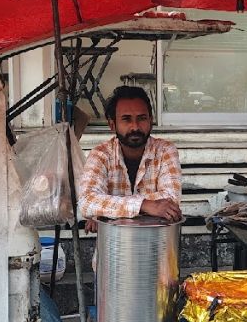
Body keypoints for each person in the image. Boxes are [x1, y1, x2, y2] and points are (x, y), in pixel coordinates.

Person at [78, 86, 182, 227]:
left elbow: (171, 199)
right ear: (112, 124)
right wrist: (145, 205)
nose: (135, 127)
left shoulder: (165, 151)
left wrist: (106, 210)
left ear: (151, 120)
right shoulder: (100, 154)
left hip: (155, 243)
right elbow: (87, 202)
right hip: (113, 245)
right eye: (126, 119)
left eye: (142, 118)